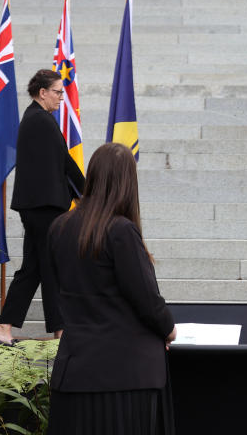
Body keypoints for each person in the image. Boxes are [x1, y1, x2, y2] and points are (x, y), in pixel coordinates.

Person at [47, 143, 176, 435]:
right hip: (125, 379)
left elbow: (61, 290)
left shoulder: (59, 228)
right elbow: (146, 299)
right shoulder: (120, 232)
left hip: (75, 373)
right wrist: (169, 329)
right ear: (127, 183)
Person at [0, 69, 85, 347]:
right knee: (52, 267)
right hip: (44, 208)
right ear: (43, 93)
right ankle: (60, 333)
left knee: (34, 268)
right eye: (57, 92)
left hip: (39, 207)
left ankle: (3, 330)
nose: (61, 99)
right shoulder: (41, 120)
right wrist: (90, 193)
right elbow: (65, 162)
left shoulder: (36, 118)